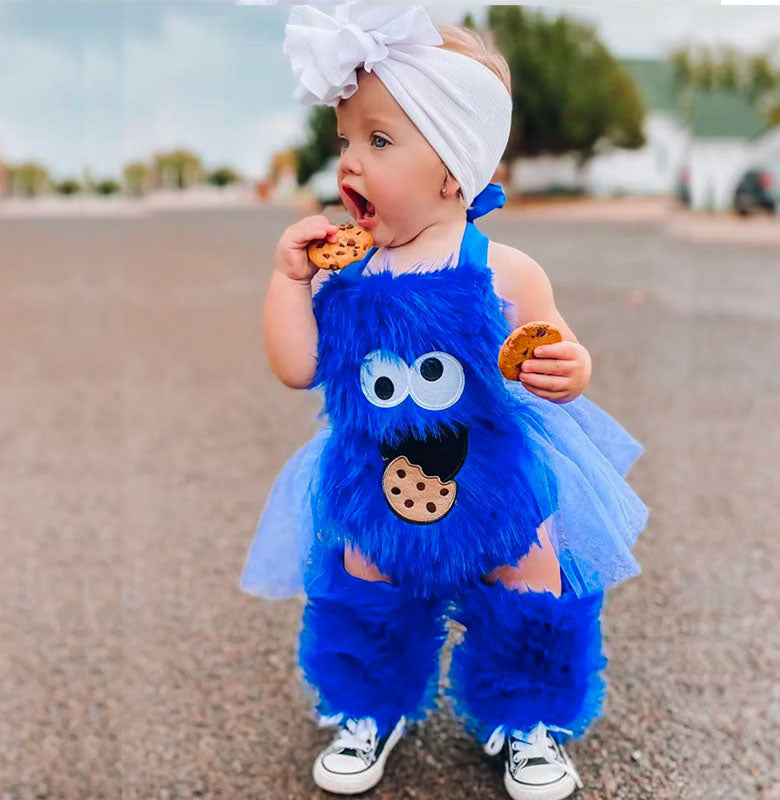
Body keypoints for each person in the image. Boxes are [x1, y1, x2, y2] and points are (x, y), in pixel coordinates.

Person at [241, 4, 649, 799]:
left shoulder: (504, 269)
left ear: (454, 170)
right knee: (366, 587)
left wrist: (570, 365)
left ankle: (527, 720)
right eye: (346, 141)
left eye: (380, 140)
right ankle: (371, 705)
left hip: (493, 480)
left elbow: (556, 346)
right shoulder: (344, 271)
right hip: (372, 480)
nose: (351, 163)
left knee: (529, 578)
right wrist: (288, 283)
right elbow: (297, 367)